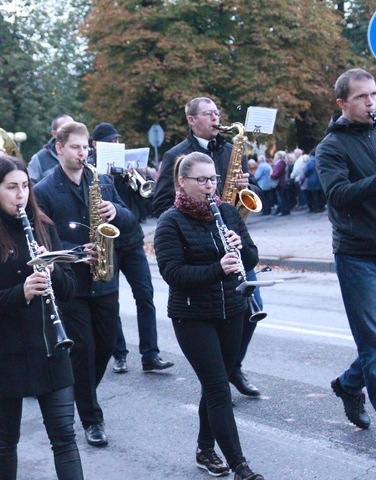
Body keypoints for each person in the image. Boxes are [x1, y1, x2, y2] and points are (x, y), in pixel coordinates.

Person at [0, 156, 83, 479]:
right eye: (12, 187)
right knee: (7, 438)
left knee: (65, 438)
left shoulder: (45, 227)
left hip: (49, 346)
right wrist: (22, 291)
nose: (21, 195)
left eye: (25, 186)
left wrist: (54, 269)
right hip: (4, 351)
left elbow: (70, 290)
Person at [154, 151, 263, 480]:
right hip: (192, 316)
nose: (208, 186)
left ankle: (204, 448)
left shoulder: (228, 212)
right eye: (200, 180)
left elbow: (254, 255)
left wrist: (239, 249)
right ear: (182, 183)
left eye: (212, 179)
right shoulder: (170, 222)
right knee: (219, 390)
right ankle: (240, 467)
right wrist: (217, 268)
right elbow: (173, 273)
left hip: (233, 310)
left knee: (215, 384)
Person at [152, 97, 263, 398]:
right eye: (209, 114)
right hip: (198, 249)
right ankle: (223, 374)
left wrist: (245, 188)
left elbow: (253, 195)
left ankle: (231, 366)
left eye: (218, 112)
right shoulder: (177, 155)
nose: (216, 118)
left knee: (254, 308)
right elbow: (161, 204)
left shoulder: (230, 150)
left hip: (232, 240)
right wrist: (196, 212)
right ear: (191, 120)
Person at [34, 121, 134, 447]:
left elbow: (131, 220)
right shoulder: (44, 190)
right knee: (84, 349)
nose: (83, 153)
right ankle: (92, 418)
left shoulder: (101, 181)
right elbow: (43, 240)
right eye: (76, 147)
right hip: (71, 282)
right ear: (59, 149)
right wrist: (77, 251)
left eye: (86, 147)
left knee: (106, 345)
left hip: (105, 278)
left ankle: (82, 391)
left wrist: (115, 210)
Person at [316, 68, 376, 431]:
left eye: (373, 94)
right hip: (357, 255)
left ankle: (347, 384)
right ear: (342, 103)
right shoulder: (330, 147)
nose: (371, 102)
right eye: (362, 97)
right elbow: (339, 197)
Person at [90, 122, 173, 375]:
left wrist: (140, 178)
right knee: (111, 301)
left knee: (145, 297)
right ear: (96, 144)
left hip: (132, 239)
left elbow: (145, 205)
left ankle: (151, 355)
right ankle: (119, 354)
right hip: (108, 243)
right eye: (110, 142)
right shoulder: (91, 170)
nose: (115, 145)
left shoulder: (125, 168)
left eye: (117, 141)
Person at [27, 114, 73, 184]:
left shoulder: (84, 154)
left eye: (74, 129)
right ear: (54, 134)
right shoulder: (39, 159)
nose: (71, 134)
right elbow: (30, 189)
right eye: (66, 130)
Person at [303, 148, 325, 213]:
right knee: (321, 194)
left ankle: (316, 208)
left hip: (312, 181)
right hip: (321, 180)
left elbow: (306, 172)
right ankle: (322, 207)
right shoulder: (321, 160)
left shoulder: (309, 162)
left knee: (314, 196)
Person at [270, 151, 290, 216]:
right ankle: (285, 210)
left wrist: (272, 175)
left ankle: (283, 211)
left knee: (281, 198)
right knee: (284, 197)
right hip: (282, 182)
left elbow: (277, 173)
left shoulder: (279, 164)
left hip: (280, 183)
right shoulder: (282, 163)